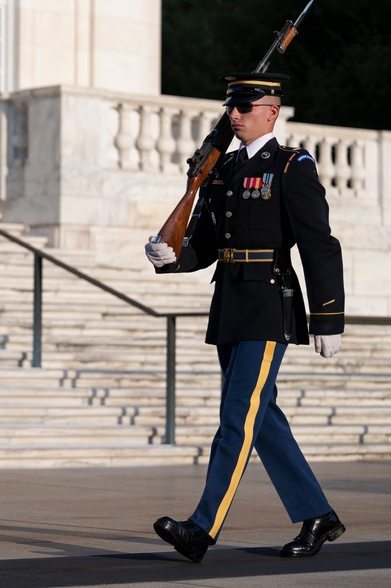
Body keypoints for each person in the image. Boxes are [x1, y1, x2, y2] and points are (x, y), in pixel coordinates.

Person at [144, 72, 346, 562]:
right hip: (230, 306)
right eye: (231, 107)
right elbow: (209, 245)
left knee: (237, 414)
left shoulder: (291, 166)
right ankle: (317, 515)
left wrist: (327, 316)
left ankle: (202, 527)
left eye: (245, 107)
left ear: (272, 112)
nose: (234, 115)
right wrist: (175, 257)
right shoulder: (224, 168)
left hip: (267, 306)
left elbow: (320, 244)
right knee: (261, 416)